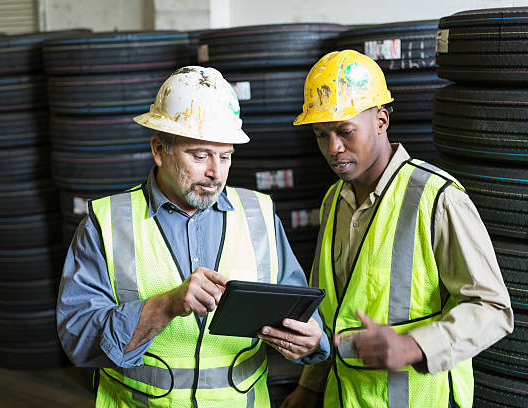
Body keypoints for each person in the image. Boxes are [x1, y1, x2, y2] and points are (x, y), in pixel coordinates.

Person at [56, 66, 329, 408]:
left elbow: (299, 307)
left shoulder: (258, 214)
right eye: (200, 156)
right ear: (159, 150)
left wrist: (311, 339)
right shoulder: (107, 223)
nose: (215, 172)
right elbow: (79, 338)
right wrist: (167, 305)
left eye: (226, 156)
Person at [281, 50, 514, 408]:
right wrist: (310, 387)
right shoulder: (333, 200)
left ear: (381, 121)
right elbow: (331, 313)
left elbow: (493, 309)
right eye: (320, 134)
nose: (333, 148)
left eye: (344, 132)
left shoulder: (437, 198)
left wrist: (415, 345)